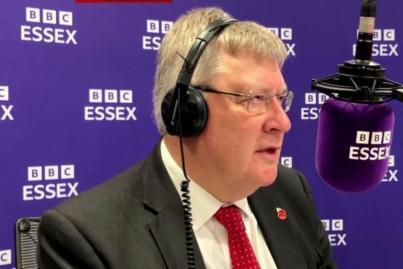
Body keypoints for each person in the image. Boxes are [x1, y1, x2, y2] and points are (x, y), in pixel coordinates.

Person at [38, 7, 337, 269]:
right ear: (189, 110)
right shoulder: (87, 237)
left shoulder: (291, 191)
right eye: (255, 99)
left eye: (281, 99)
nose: (282, 123)